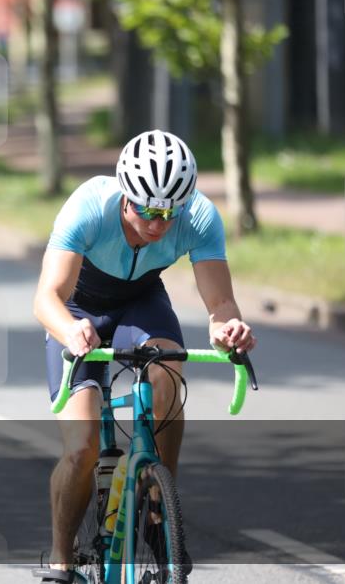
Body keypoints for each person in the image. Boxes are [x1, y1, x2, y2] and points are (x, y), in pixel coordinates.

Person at [32, 129, 257, 581]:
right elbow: (46, 299)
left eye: (169, 213)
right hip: (77, 310)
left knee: (168, 372)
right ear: (124, 195)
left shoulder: (199, 216)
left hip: (141, 301)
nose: (158, 224)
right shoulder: (88, 206)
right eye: (147, 211)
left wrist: (227, 328)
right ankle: (60, 555)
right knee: (82, 447)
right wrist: (70, 330)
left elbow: (220, 303)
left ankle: (159, 505)